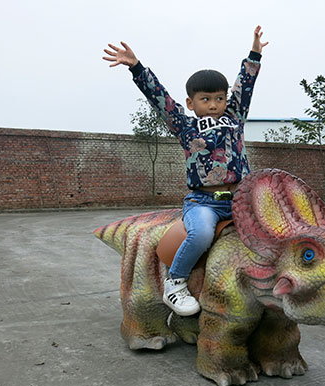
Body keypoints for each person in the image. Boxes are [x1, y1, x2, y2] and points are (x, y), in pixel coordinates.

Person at [103, 26, 268, 316]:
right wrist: (137, 68)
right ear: (191, 103)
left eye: (219, 98)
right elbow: (160, 99)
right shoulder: (185, 125)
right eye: (206, 99)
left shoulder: (235, 118)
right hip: (204, 202)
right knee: (201, 234)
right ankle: (175, 282)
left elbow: (246, 83)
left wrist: (254, 53)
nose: (214, 105)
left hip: (240, 199)